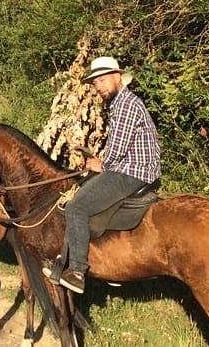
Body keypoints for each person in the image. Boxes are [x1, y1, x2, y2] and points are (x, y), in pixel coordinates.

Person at [44, 56, 161, 294]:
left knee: (77, 207)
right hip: (130, 168)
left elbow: (116, 151)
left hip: (132, 172)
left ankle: (76, 271)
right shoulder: (120, 103)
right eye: (96, 82)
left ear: (118, 77)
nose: (99, 86)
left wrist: (100, 163)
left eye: (103, 80)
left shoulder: (126, 104)